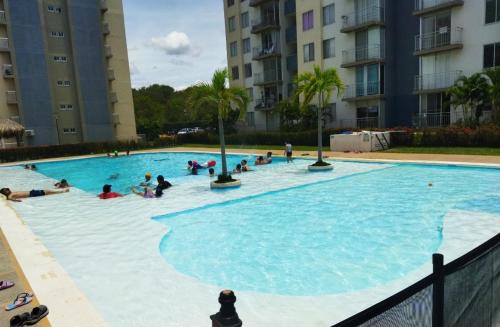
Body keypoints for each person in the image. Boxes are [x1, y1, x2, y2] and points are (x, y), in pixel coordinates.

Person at [0, 187, 69, 202]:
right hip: (32, 194)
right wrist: (17, 200)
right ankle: (61, 191)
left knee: (48, 191)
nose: (8, 190)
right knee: (48, 192)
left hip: (32, 192)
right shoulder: (10, 195)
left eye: (7, 189)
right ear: (5, 193)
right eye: (6, 190)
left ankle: (60, 191)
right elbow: (10, 198)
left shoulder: (11, 193)